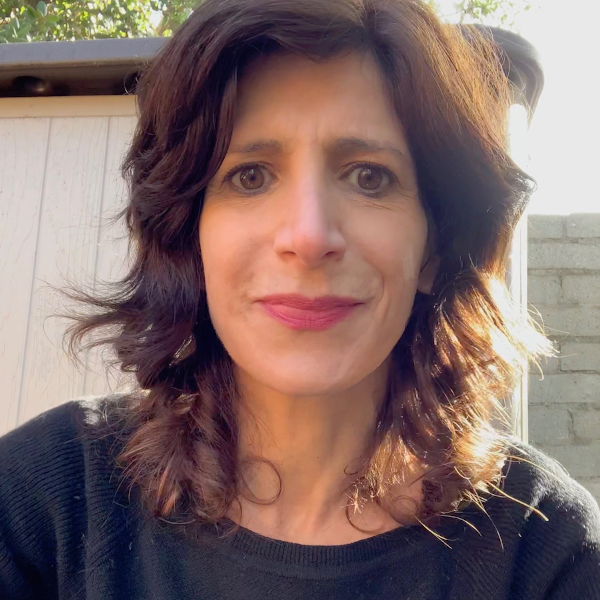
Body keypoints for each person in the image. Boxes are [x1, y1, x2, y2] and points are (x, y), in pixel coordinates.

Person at [1, 0, 599, 597]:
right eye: (250, 176)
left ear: (435, 248)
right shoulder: (40, 503)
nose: (309, 237)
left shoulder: (548, 550)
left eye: (369, 176)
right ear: (191, 240)